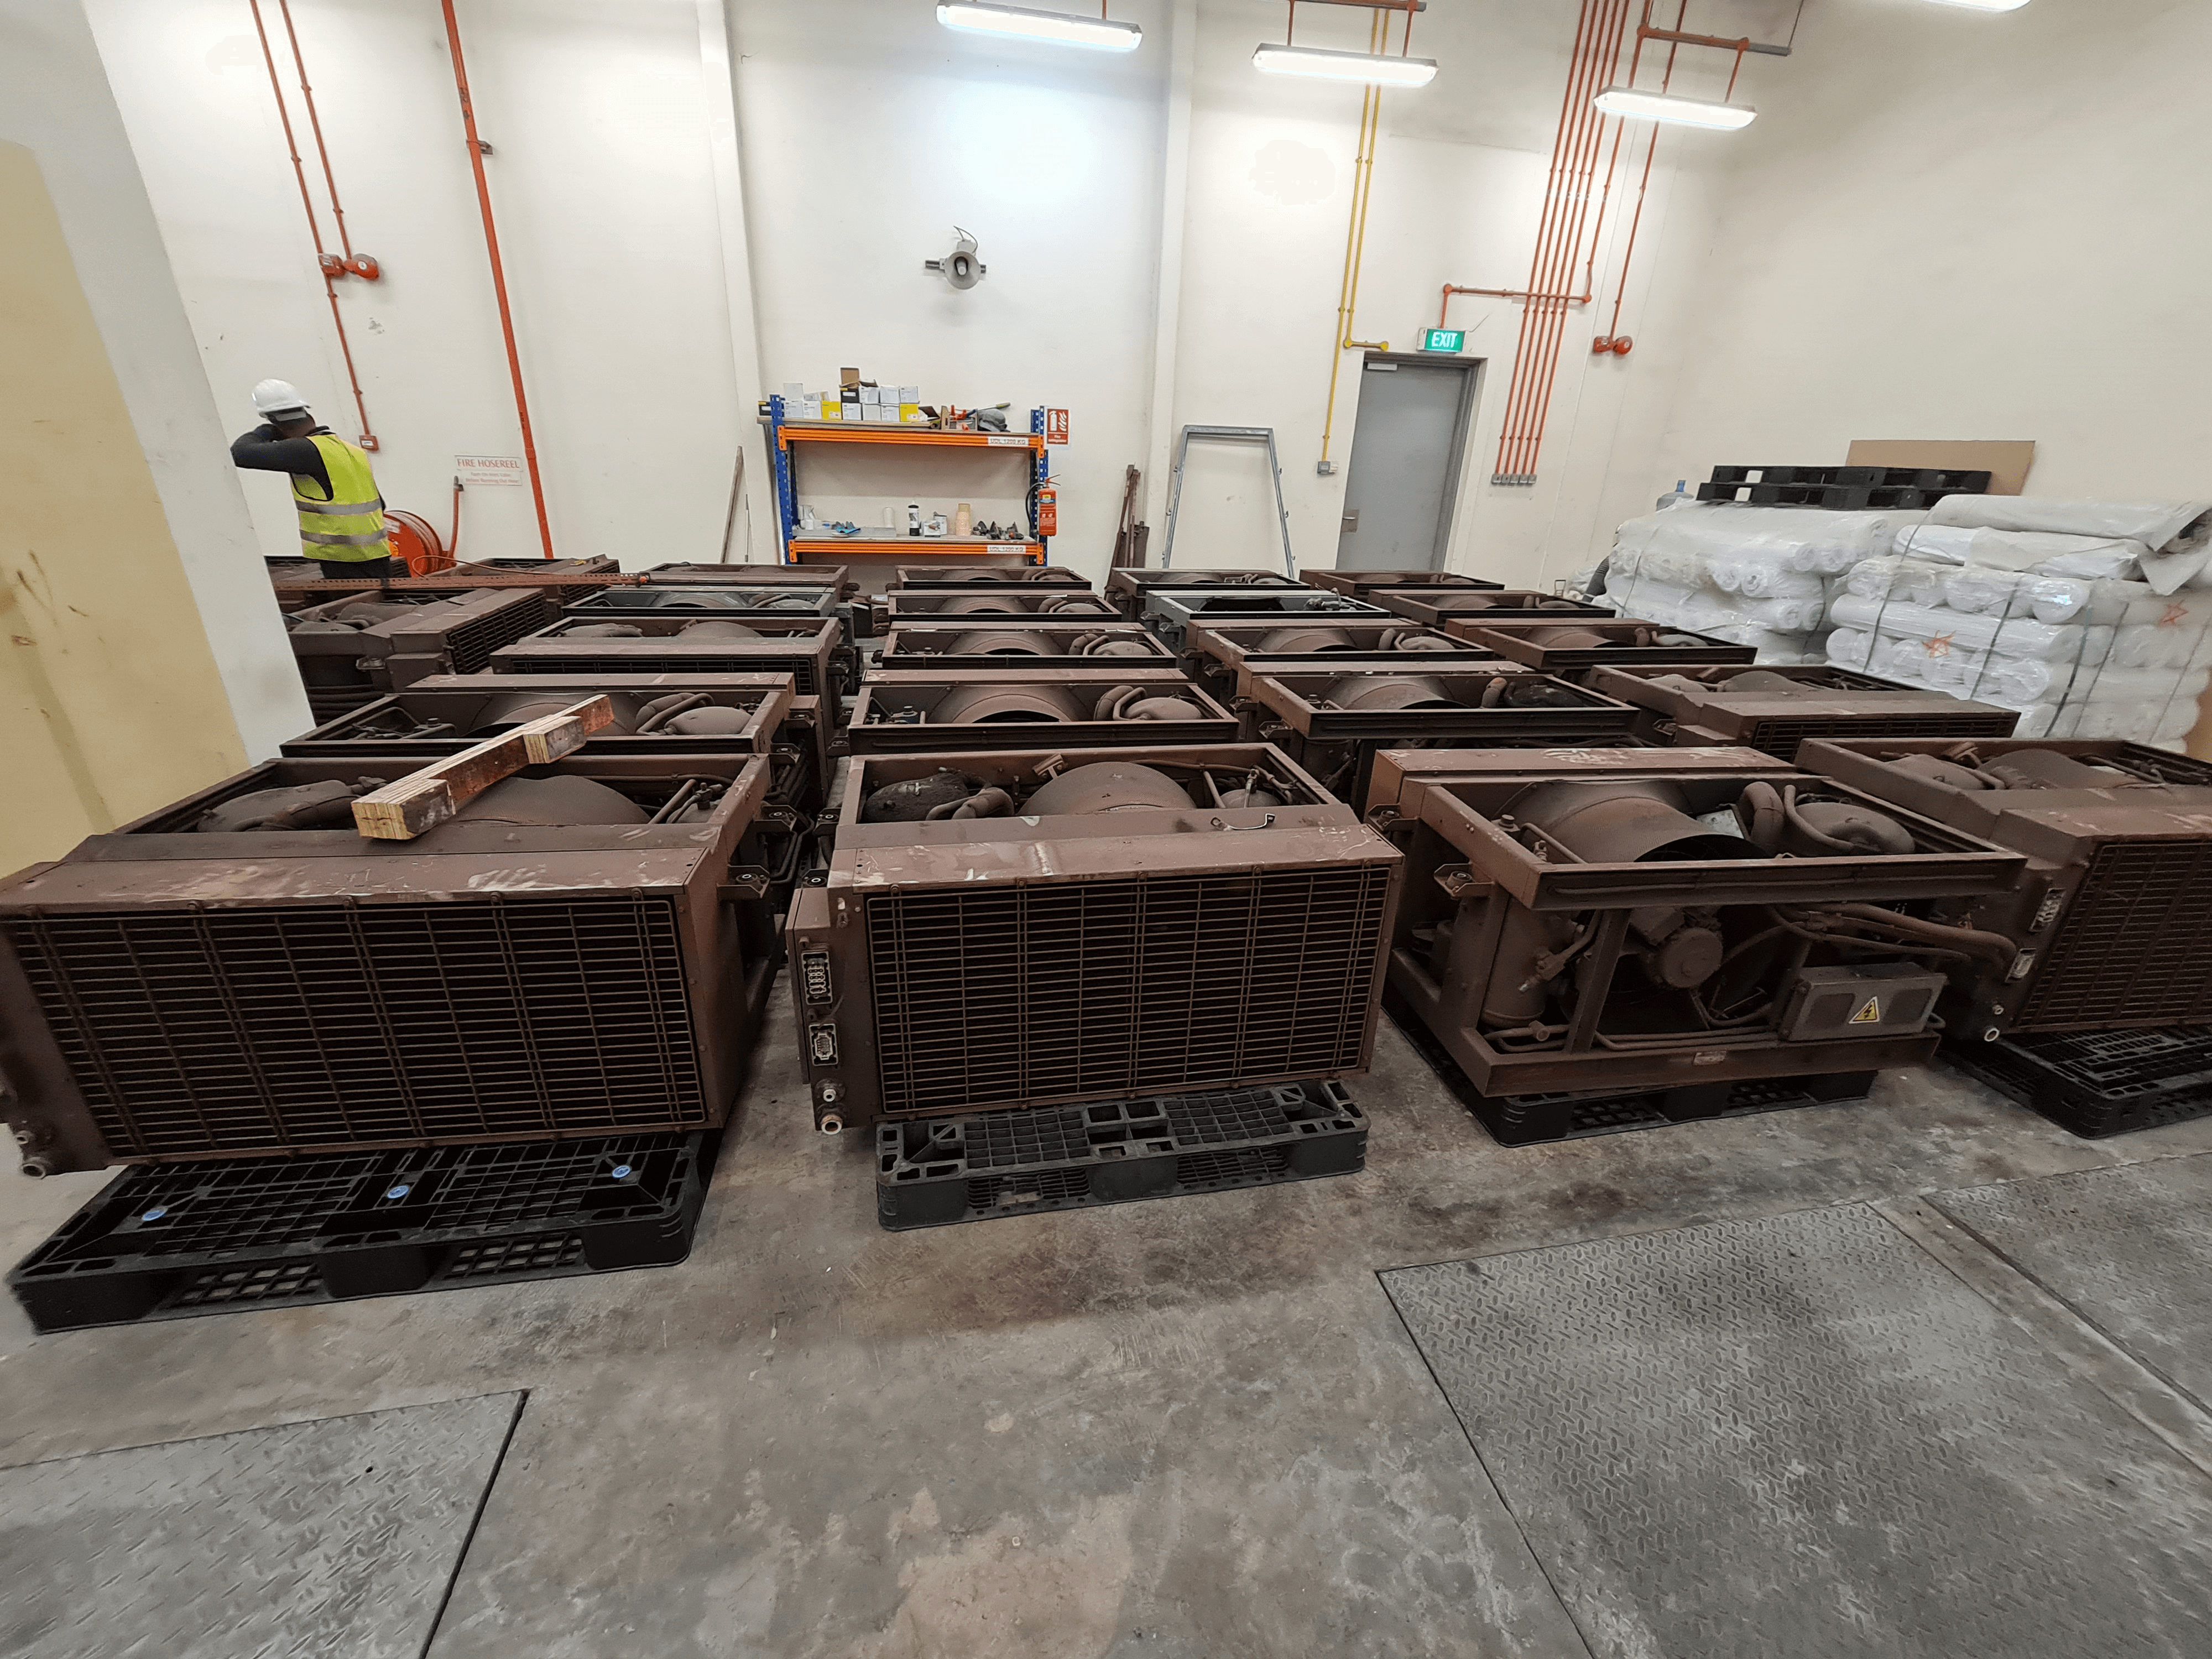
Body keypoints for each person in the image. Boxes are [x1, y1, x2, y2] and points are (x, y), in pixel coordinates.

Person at [231, 379, 395, 582]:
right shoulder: (351, 451)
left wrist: (264, 432)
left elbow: (240, 454)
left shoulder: (304, 450)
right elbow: (381, 504)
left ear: (278, 426)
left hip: (342, 560)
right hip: (376, 555)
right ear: (309, 416)